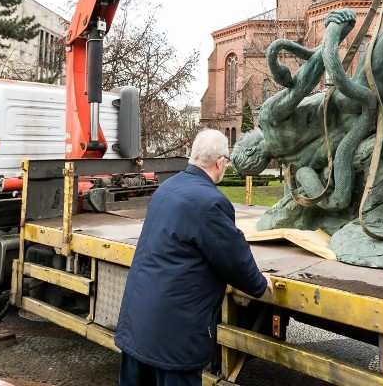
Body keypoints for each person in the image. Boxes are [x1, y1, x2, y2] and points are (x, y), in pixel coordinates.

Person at [115, 129, 273, 386]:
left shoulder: (167, 188)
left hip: (138, 324)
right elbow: (233, 257)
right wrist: (258, 284)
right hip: (174, 339)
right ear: (220, 162)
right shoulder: (211, 203)